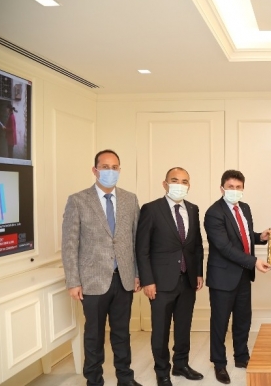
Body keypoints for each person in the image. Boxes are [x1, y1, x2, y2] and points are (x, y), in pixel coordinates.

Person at [61, 149, 142, 386]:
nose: (110, 171)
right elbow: (69, 244)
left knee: (122, 332)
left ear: (120, 170)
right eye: (105, 167)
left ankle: (125, 378)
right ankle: (94, 380)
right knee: (94, 335)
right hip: (92, 281)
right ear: (95, 170)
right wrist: (73, 281)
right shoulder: (78, 200)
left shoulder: (130, 199)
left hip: (124, 278)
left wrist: (138, 274)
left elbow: (136, 241)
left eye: (114, 167)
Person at [136, 167, 204, 386]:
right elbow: (142, 249)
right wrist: (147, 280)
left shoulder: (193, 209)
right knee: (161, 330)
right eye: (175, 180)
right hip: (160, 282)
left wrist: (198, 273)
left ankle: (181, 365)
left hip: (187, 279)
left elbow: (197, 245)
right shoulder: (151, 209)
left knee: (183, 327)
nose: (179, 185)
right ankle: (162, 371)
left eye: (184, 181)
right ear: (165, 184)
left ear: (189, 185)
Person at [204, 170, 271, 384]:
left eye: (238, 187)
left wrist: (260, 237)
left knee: (243, 320)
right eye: (230, 187)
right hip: (223, 277)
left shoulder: (245, 208)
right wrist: (254, 261)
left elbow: (243, 237)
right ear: (222, 188)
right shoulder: (214, 213)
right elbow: (224, 246)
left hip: (243, 274)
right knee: (220, 322)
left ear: (243, 188)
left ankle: (241, 357)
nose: (234, 190)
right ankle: (219, 364)